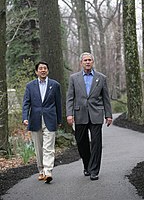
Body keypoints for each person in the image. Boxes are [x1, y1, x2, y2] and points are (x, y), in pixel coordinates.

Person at [66, 52, 112, 181]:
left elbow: (106, 98)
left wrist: (108, 115)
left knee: (96, 143)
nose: (87, 62)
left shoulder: (101, 78)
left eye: (89, 60)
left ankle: (94, 170)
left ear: (93, 62)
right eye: (85, 60)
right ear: (81, 63)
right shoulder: (74, 78)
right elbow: (70, 98)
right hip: (79, 114)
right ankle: (87, 165)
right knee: (81, 142)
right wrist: (69, 114)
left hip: (96, 114)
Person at [22, 61, 62, 183]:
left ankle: (48, 171)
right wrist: (25, 117)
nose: (43, 70)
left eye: (45, 68)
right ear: (36, 71)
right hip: (35, 119)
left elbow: (58, 104)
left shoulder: (55, 85)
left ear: (48, 71)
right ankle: (41, 170)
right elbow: (26, 103)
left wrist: (59, 119)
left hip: (50, 118)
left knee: (48, 147)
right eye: (40, 68)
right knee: (38, 147)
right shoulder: (30, 86)